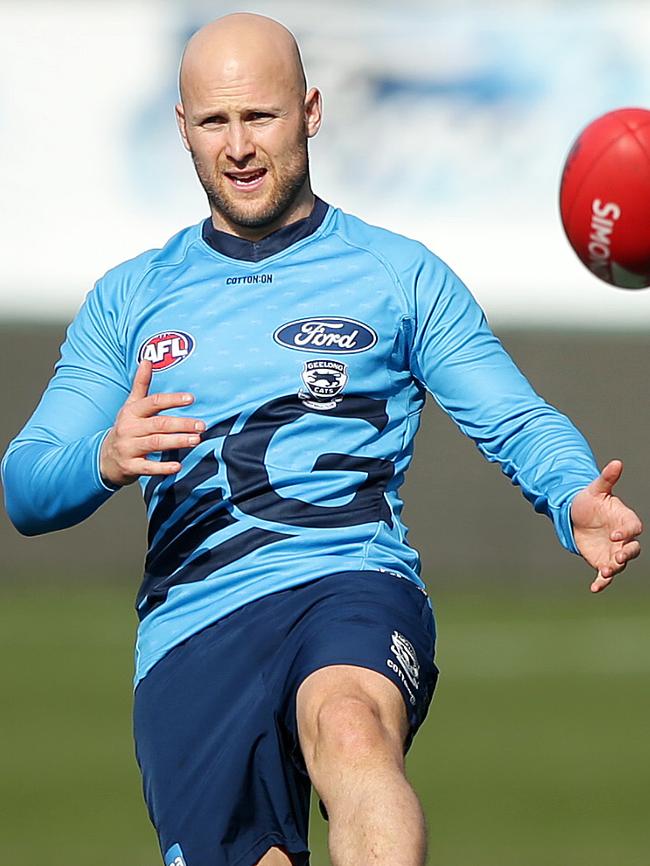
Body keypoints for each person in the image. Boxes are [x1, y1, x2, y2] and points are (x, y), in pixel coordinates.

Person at [1, 12, 643, 866]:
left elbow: (513, 416)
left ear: (310, 110)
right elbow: (25, 486)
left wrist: (571, 495)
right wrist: (102, 459)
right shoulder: (130, 299)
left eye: (260, 116)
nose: (238, 146)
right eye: (215, 122)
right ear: (182, 128)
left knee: (349, 729)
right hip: (194, 629)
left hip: (350, 581)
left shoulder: (399, 274)